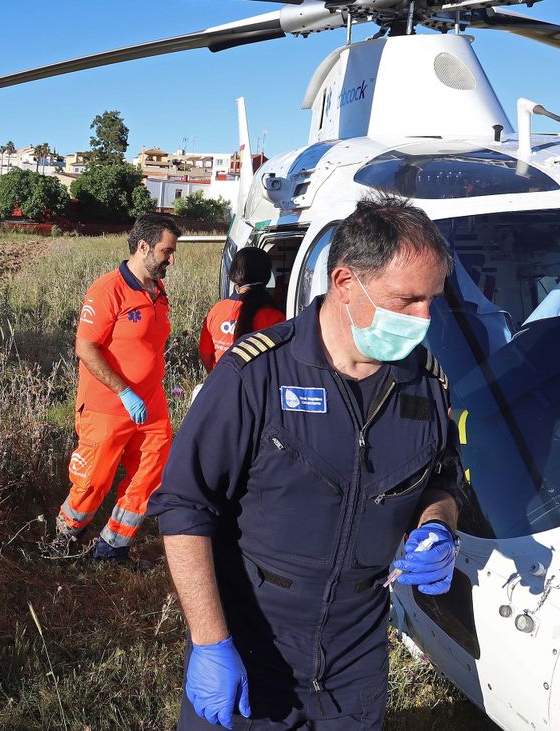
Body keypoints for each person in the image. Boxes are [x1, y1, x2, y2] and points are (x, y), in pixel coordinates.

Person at [149, 195, 463, 730]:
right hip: (255, 642)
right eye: (407, 300)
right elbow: (184, 506)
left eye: (432, 299)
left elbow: (442, 479)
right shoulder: (256, 375)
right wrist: (209, 640)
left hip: (356, 659)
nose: (424, 317)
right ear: (345, 284)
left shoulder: (426, 385)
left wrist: (438, 527)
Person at [50, 214, 181, 562]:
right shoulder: (107, 290)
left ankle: (112, 548)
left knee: (150, 475)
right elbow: (86, 347)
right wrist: (124, 391)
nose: (171, 259)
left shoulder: (158, 290)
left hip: (151, 405)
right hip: (107, 405)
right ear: (143, 247)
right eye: (166, 252)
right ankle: (64, 538)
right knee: (93, 481)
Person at [199, 246, 288, 372]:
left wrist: (215, 377)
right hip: (256, 389)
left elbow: (206, 354)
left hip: (222, 386)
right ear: (267, 276)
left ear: (234, 274)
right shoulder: (275, 317)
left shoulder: (216, 311)